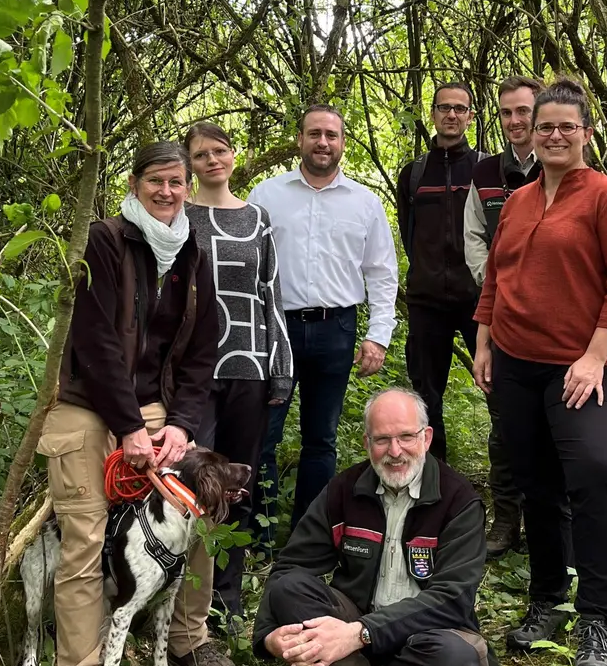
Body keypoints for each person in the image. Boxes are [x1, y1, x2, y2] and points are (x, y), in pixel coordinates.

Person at [38, 142, 228, 666]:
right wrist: (128, 430)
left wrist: (180, 424)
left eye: (177, 182)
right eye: (157, 181)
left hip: (155, 407)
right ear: (135, 182)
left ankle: (185, 641)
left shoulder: (194, 252)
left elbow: (201, 353)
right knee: (86, 537)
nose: (169, 192)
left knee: (194, 513)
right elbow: (93, 343)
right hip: (86, 400)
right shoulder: (106, 240)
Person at [472, 78, 607, 666]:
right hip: (517, 363)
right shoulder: (519, 201)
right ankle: (547, 599)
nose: (552, 135)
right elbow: (496, 276)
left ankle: (598, 620)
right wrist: (485, 341)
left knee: (595, 475)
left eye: (565, 127)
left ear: (585, 135)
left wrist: (596, 357)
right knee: (534, 482)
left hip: (588, 366)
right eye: (543, 126)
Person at [252, 387, 501, 666]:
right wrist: (270, 637)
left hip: (427, 634)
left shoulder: (459, 501)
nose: (395, 451)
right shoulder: (345, 490)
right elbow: (290, 570)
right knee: (291, 590)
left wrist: (359, 635)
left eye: (405, 437)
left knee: (454, 660)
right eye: (382, 440)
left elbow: (450, 599)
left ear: (426, 437)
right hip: (353, 620)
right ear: (367, 443)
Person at [247, 105, 398, 534]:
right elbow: (248, 263)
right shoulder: (267, 195)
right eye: (314, 134)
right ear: (300, 139)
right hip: (276, 330)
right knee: (265, 435)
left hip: (337, 329)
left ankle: (307, 535)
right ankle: (258, 534)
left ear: (343, 143)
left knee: (321, 439)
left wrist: (378, 336)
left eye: (331, 135)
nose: (323, 143)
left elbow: (382, 274)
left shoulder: (365, 203)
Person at [182, 122, 295, 629]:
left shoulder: (258, 219)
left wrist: (282, 368)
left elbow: (271, 294)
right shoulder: (178, 216)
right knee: (190, 483)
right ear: (189, 164)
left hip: (249, 366)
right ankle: (186, 599)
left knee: (239, 483)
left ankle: (227, 598)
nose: (212, 160)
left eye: (219, 151)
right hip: (195, 370)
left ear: (233, 155)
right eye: (200, 154)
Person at [462, 75, 544, 555]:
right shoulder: (486, 173)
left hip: (556, 321)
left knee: (553, 433)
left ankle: (544, 522)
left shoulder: (564, 164)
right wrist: (495, 281)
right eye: (507, 113)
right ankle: (505, 521)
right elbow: (473, 236)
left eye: (524, 112)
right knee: (505, 428)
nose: (515, 122)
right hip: (501, 314)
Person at [395, 82, 484, 463]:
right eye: (444, 107)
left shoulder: (486, 168)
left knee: (500, 388)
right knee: (426, 397)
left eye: (459, 109)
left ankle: (512, 489)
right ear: (431, 113)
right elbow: (407, 231)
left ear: (470, 117)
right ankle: (435, 475)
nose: (451, 115)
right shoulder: (413, 174)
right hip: (427, 300)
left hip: (479, 299)